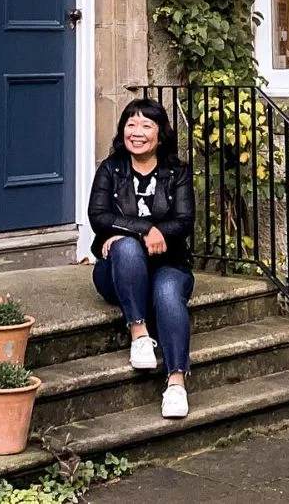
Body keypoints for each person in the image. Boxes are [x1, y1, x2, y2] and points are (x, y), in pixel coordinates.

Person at [87, 97, 196, 419]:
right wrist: (145, 230)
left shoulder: (177, 172)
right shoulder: (111, 169)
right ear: (122, 132)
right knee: (126, 248)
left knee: (166, 294)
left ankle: (176, 382)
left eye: (146, 125)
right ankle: (139, 334)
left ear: (160, 135)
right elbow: (98, 216)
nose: (137, 132)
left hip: (169, 264)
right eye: (130, 125)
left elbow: (184, 221)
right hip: (115, 272)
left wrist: (130, 230)